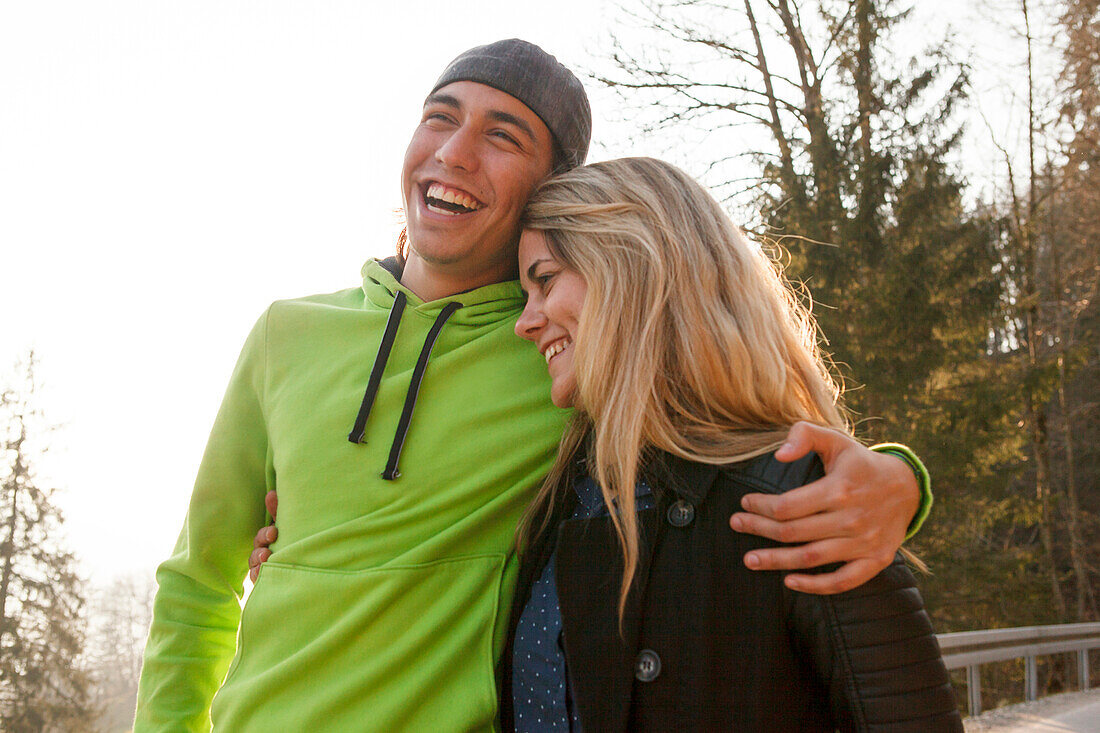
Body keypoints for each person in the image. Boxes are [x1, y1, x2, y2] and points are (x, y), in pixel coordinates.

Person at [137, 40, 931, 732]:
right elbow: (198, 580)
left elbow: (729, 419)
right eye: (440, 117)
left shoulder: (569, 359)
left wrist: (899, 480)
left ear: (547, 191)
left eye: (501, 134)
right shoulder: (287, 333)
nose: (453, 152)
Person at [500, 157, 961, 731]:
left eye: (544, 280)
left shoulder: (804, 495)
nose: (524, 322)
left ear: (632, 264)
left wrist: (903, 480)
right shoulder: (558, 500)